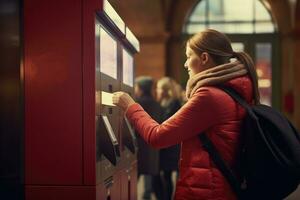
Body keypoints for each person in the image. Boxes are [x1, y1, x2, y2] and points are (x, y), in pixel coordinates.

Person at [113, 29, 259, 200]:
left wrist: (130, 106)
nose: (185, 63)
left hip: (204, 191)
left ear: (204, 58)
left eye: (189, 56)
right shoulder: (235, 91)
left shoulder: (209, 97)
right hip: (222, 188)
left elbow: (157, 136)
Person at [134, 76, 164, 200]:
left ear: (140, 88)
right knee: (148, 179)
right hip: (152, 147)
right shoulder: (157, 104)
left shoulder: (138, 104)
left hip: (139, 147)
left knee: (135, 181)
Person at [155, 77, 182, 200]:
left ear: (165, 90)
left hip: (170, 148)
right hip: (169, 146)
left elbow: (164, 123)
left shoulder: (172, 104)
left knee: (166, 176)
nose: (157, 91)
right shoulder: (168, 103)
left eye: (159, 88)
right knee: (166, 176)